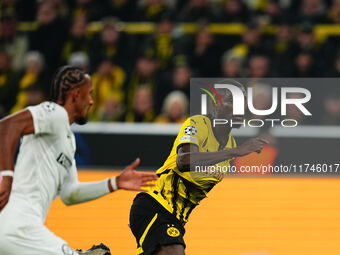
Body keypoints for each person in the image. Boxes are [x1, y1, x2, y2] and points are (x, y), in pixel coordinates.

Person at [0, 66, 158, 255]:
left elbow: (70, 194)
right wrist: (7, 177)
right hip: (19, 222)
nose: (91, 101)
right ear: (75, 95)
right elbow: (7, 126)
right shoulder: (55, 113)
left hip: (23, 229)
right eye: (89, 94)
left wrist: (114, 183)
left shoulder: (69, 140)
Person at [129, 81, 268, 255]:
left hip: (176, 219)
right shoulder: (197, 124)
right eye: (232, 101)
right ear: (214, 105)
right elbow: (185, 160)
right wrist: (234, 152)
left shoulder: (231, 144)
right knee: (175, 252)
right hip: (155, 205)